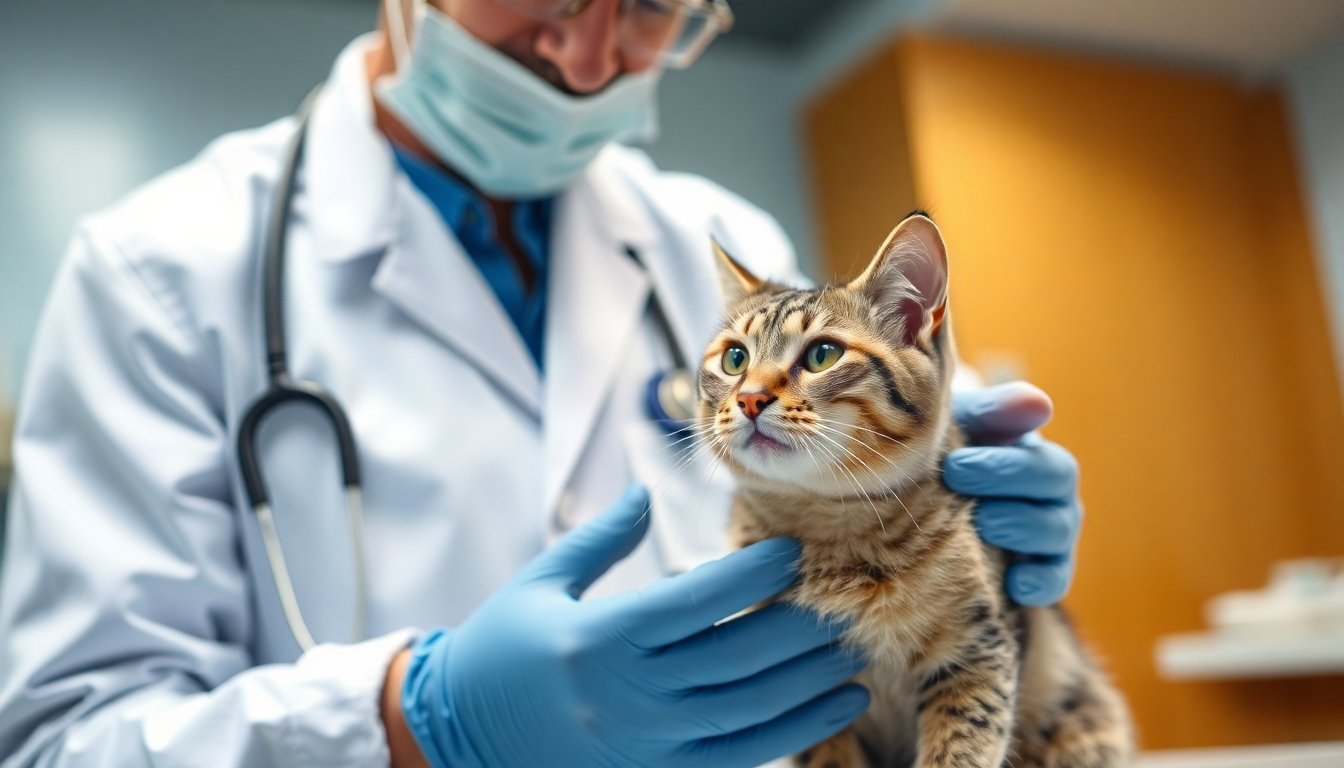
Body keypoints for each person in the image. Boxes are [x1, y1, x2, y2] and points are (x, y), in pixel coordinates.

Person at [0, 0, 1084, 766]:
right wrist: (414, 723)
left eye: (655, 7)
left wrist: (978, 513)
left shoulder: (716, 241)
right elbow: (66, 742)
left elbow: (900, 447)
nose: (588, 57)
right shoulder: (157, 267)